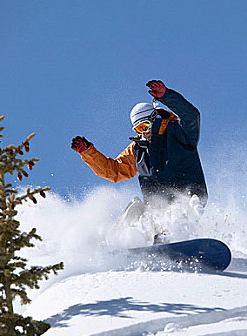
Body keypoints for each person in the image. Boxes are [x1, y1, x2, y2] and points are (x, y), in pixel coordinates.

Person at [71, 80, 207, 242]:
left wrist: (167, 96)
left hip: (187, 196)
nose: (144, 133)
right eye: (138, 130)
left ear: (154, 119)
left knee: (175, 215)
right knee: (134, 210)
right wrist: (88, 152)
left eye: (145, 126)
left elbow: (191, 115)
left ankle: (169, 239)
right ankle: (114, 244)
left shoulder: (179, 132)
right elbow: (114, 171)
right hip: (157, 206)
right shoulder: (137, 149)